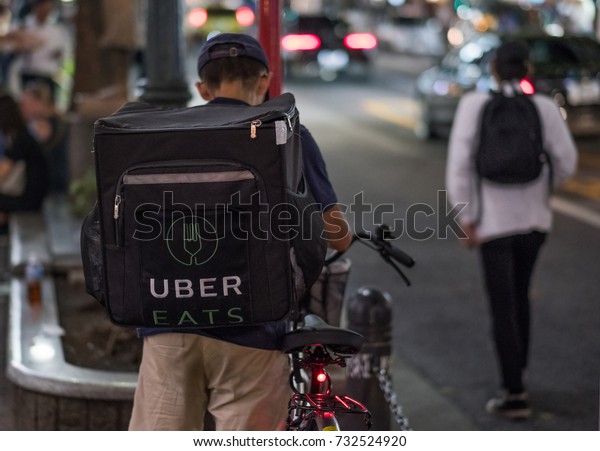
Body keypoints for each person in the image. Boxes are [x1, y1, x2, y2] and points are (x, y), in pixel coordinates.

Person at [128, 33, 352, 431]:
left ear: (202, 88)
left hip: (168, 318)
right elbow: (338, 237)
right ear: (264, 81)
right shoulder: (288, 136)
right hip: (253, 326)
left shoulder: (166, 137)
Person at [446, 40, 577, 420]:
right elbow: (566, 161)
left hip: (492, 224)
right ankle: (520, 377)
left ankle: (513, 390)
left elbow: (459, 165)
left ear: (494, 71)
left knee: (502, 305)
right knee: (521, 298)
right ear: (529, 71)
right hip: (535, 222)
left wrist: (466, 217)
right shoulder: (545, 107)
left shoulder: (474, 105)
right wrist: (543, 190)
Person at [0, 91, 49, 226]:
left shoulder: (20, 140)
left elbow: (3, 172)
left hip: (30, 200)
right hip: (31, 196)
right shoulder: (21, 136)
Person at [19, 81, 68, 193]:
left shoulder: (44, 124)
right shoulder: (58, 120)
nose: (22, 109)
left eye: (25, 104)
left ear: (38, 102)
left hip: (53, 186)